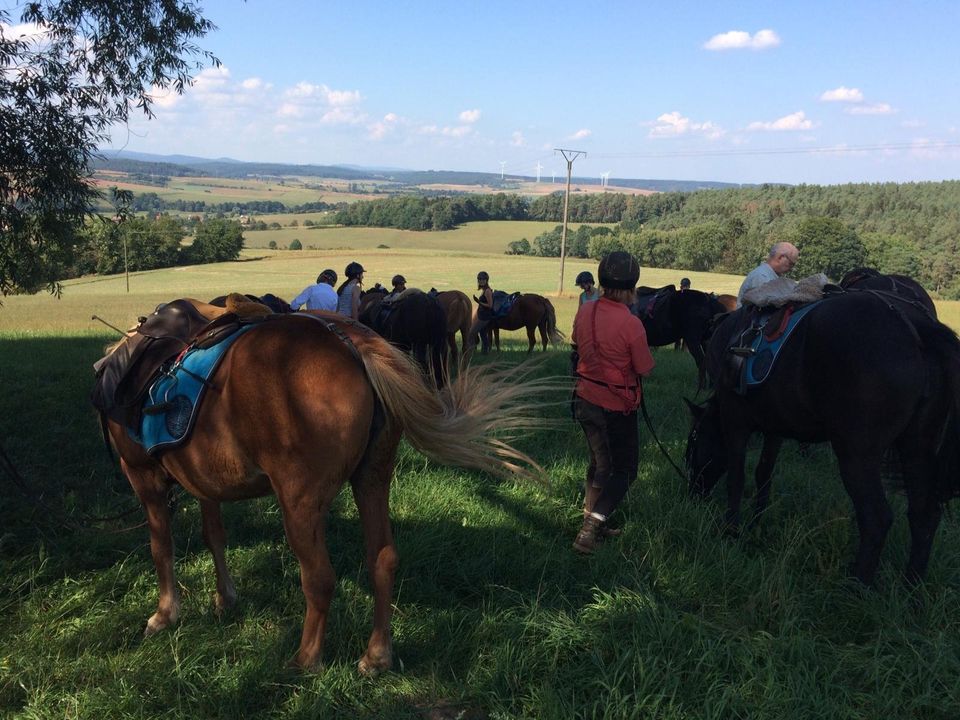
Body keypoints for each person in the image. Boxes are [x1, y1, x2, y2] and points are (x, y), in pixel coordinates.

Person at [570, 252, 655, 554]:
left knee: (599, 463)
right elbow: (644, 368)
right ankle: (590, 528)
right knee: (625, 470)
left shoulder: (585, 311)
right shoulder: (631, 324)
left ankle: (592, 520)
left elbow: (578, 344)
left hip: (584, 398)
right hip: (615, 406)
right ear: (632, 286)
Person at [736, 242, 799, 308]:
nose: (791, 268)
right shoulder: (762, 276)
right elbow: (762, 312)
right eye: (791, 264)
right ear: (780, 258)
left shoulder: (770, 274)